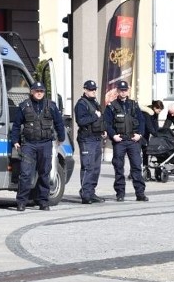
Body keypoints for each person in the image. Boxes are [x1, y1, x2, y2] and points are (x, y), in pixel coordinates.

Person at [10, 81, 66, 211]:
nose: (39, 93)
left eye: (41, 91)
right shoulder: (24, 106)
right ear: (32, 92)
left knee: (44, 173)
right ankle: (21, 202)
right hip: (28, 145)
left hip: (45, 143)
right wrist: (15, 141)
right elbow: (17, 125)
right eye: (37, 91)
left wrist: (61, 138)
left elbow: (58, 123)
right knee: (25, 173)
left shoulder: (51, 106)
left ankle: (43, 201)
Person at [104, 80, 148, 201]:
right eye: (121, 90)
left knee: (136, 167)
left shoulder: (133, 105)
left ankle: (140, 193)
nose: (123, 93)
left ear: (127, 91)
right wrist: (113, 135)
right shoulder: (111, 106)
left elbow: (142, 121)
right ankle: (120, 194)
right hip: (120, 141)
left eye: (125, 90)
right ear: (117, 91)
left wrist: (140, 134)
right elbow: (106, 123)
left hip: (133, 140)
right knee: (118, 167)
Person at [74, 80, 106, 204]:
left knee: (96, 168)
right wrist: (95, 116)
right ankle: (85, 194)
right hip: (87, 139)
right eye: (91, 89)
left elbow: (100, 119)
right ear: (85, 90)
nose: (93, 92)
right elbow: (81, 121)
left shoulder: (95, 103)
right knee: (88, 167)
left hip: (96, 138)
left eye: (94, 89)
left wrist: (103, 130)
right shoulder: (82, 104)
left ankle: (91, 192)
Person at [142, 100, 163, 169]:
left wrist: (158, 132)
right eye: (159, 110)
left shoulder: (155, 113)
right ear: (155, 108)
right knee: (141, 151)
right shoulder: (147, 113)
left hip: (146, 133)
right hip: (141, 133)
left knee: (145, 151)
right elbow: (149, 126)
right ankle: (135, 171)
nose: (159, 112)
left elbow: (155, 123)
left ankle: (145, 167)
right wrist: (155, 134)